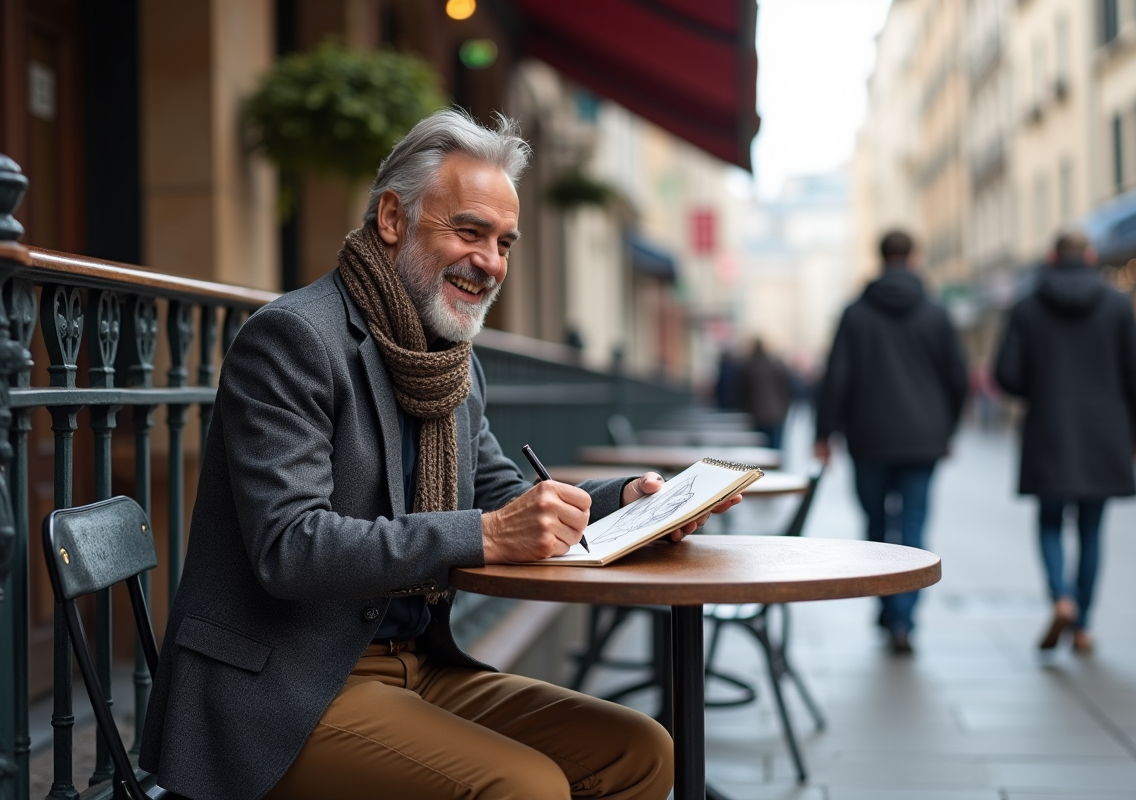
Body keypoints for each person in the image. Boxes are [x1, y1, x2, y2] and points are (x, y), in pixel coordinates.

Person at [140, 110, 739, 800]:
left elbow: (502, 498)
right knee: (526, 788)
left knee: (640, 750)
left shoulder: (452, 363)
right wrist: (484, 536)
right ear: (392, 219)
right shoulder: (293, 340)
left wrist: (630, 500)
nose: (491, 262)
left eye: (505, 243)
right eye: (469, 231)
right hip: (280, 692)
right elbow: (292, 548)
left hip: (420, 665)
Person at [994, 231, 1136, 655]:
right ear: (1090, 256)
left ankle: (1061, 597)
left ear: (1050, 257)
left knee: (1049, 522)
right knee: (1091, 529)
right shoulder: (1117, 303)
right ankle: (1082, 624)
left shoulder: (1026, 305)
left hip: (1048, 428)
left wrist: (1042, 387)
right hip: (1105, 433)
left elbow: (1005, 375)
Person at [813, 230, 967, 655]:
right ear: (913, 257)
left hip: (869, 437)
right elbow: (957, 377)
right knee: (914, 526)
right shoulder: (936, 312)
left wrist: (823, 433)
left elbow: (836, 376)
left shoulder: (856, 313)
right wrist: (947, 429)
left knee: (876, 527)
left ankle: (887, 606)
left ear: (880, 257)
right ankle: (904, 617)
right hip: (923, 439)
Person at [736, 338, 793, 449]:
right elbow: (784, 390)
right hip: (776, 413)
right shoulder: (775, 364)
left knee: (760, 447)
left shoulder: (749, 366)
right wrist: (784, 409)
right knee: (775, 447)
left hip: (757, 413)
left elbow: (743, 392)